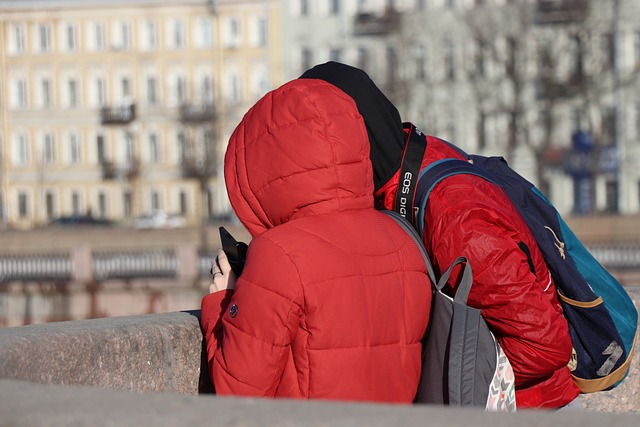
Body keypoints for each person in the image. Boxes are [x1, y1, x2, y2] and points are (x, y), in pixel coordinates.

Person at [301, 61, 582, 409]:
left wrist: (433, 387)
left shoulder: (454, 216)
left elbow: (544, 345)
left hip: (528, 409)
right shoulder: (412, 159)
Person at [200, 78, 432, 402]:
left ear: (266, 166)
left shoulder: (280, 254)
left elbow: (239, 392)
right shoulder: (404, 240)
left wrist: (221, 303)